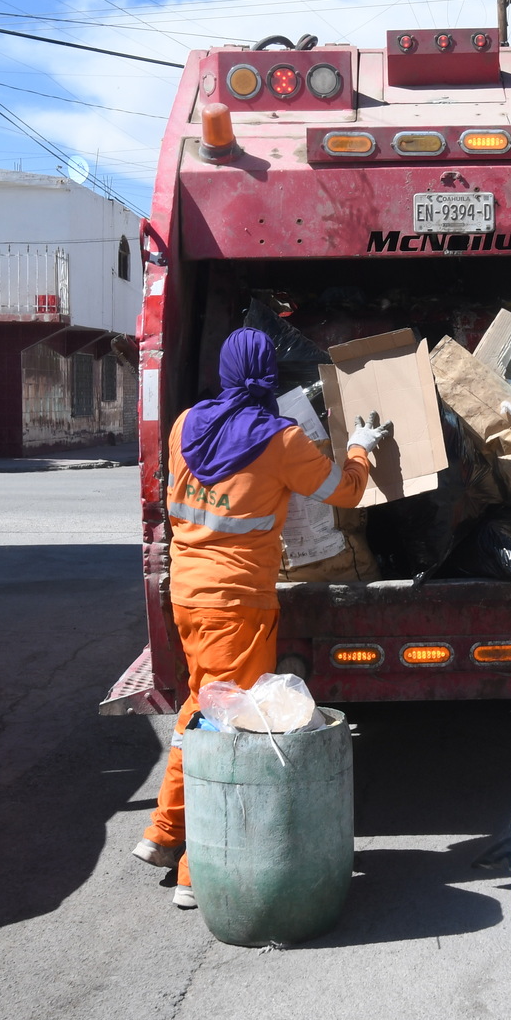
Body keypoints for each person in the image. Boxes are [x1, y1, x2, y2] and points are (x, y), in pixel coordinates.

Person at [135, 327, 390, 909]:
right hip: (239, 604)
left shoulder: (183, 427)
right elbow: (343, 492)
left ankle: (165, 832)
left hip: (189, 597)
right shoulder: (283, 439)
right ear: (271, 376)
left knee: (200, 707)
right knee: (229, 728)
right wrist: (362, 447)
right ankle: (197, 872)